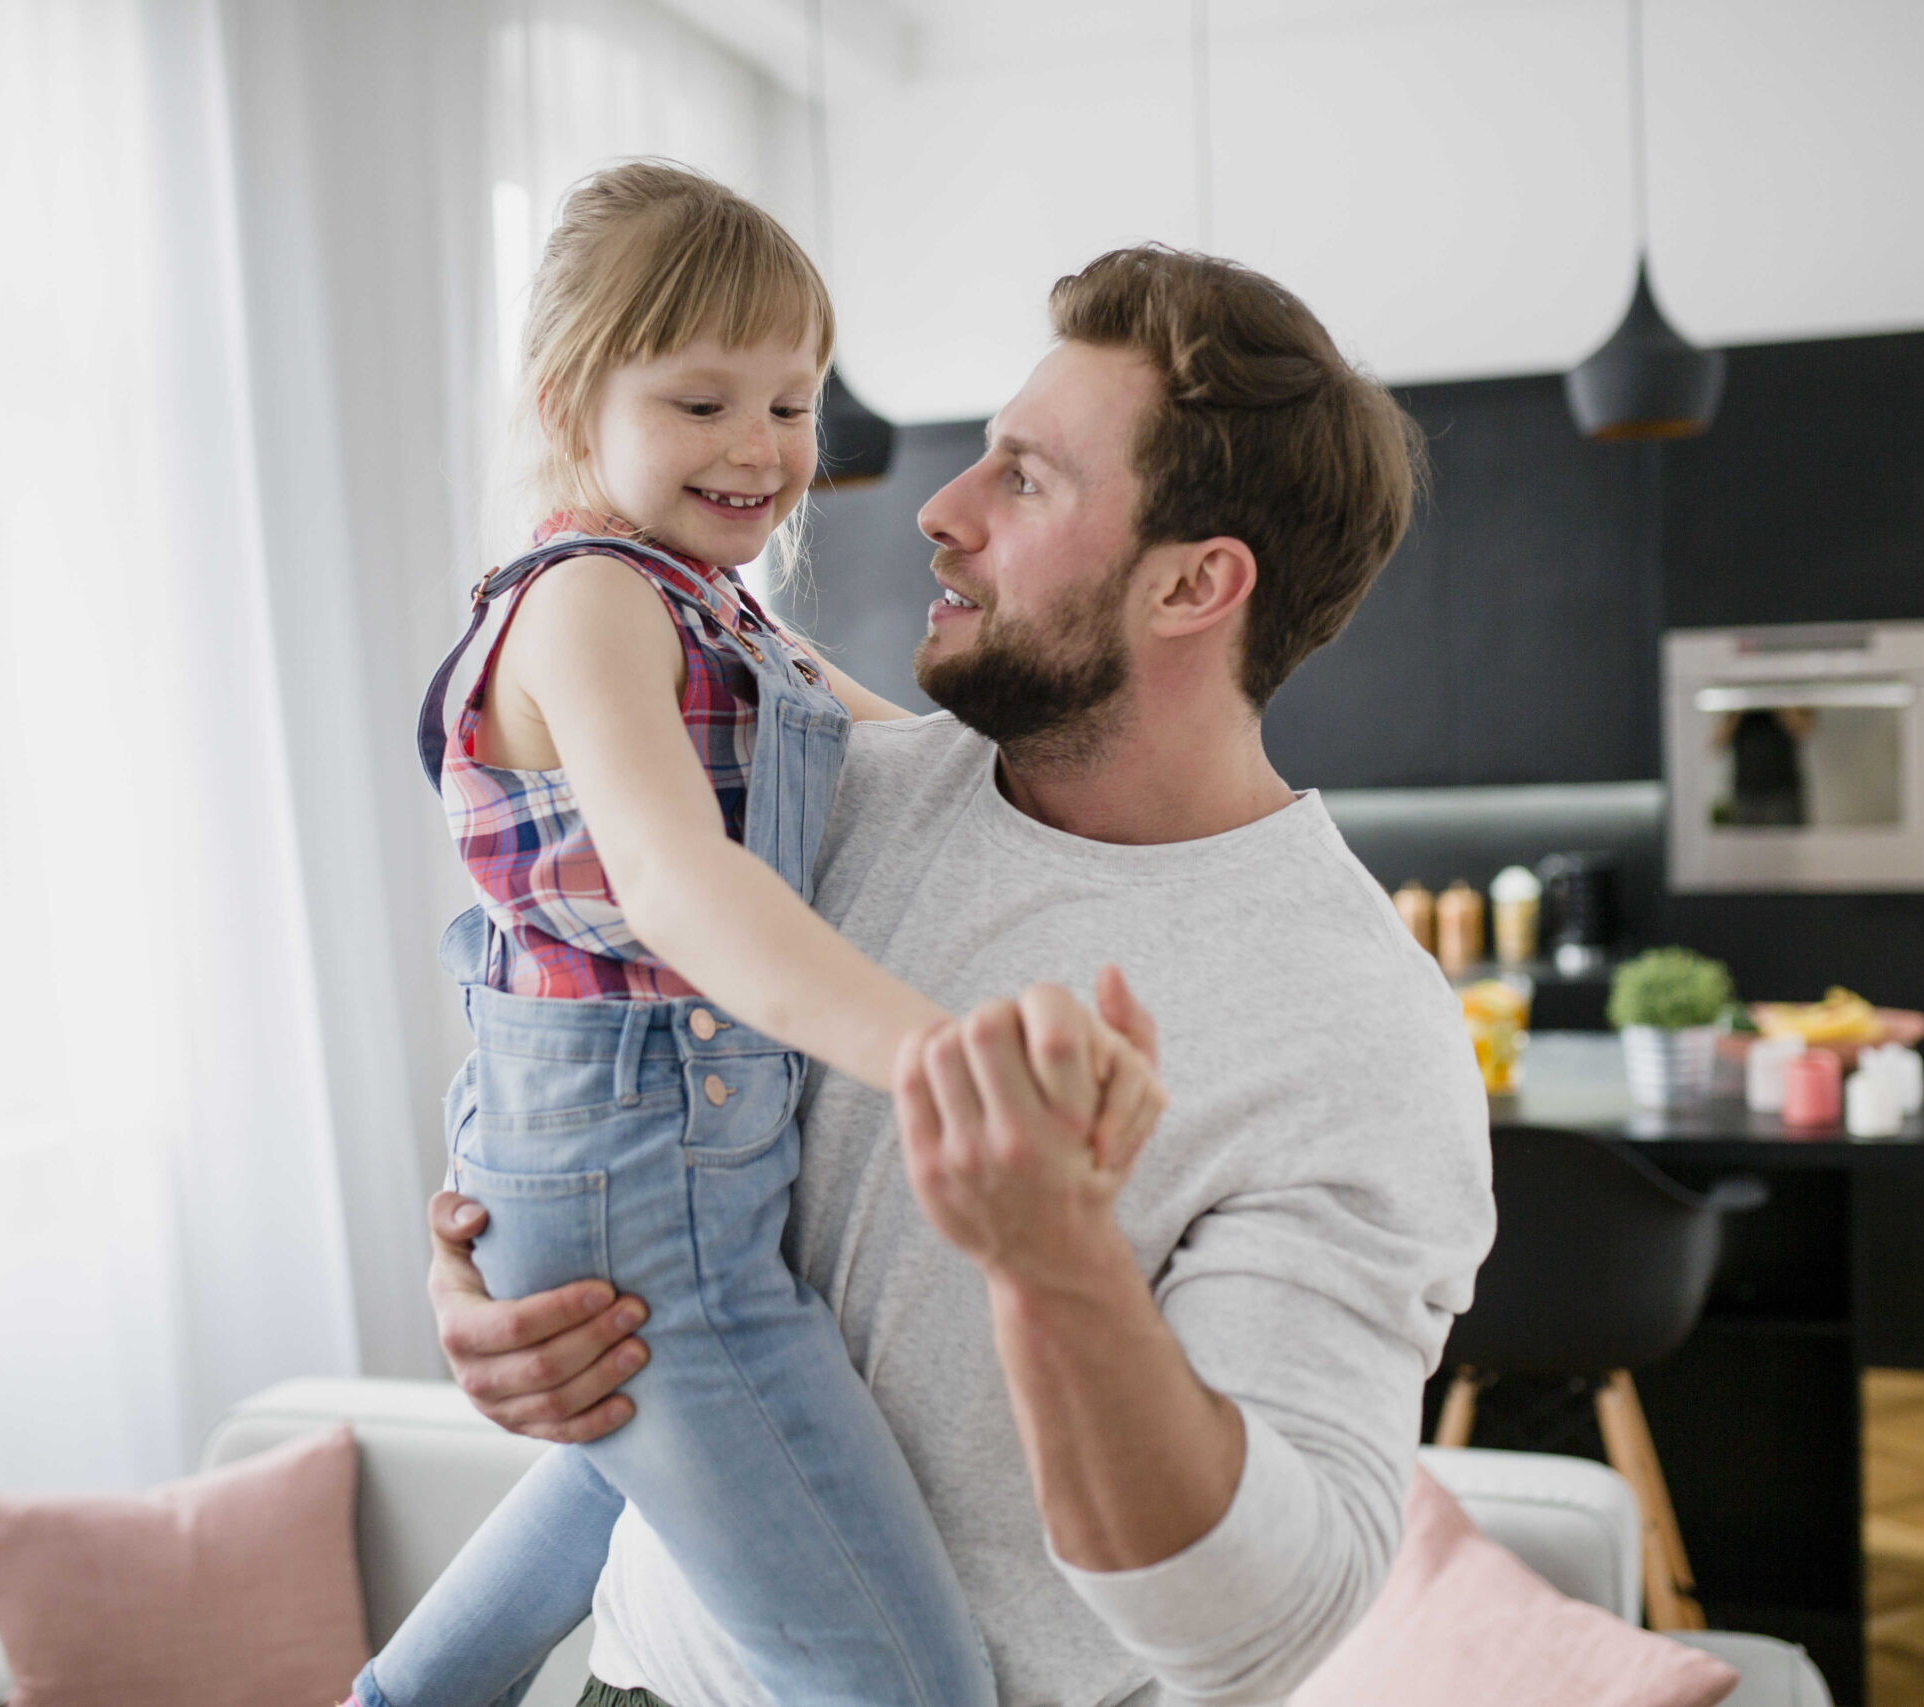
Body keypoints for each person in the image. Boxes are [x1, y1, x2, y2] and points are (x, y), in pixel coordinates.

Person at [424, 244, 1498, 1707]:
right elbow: (569, 993)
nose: (937, 513)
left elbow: (1266, 1622)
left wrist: (1059, 1270)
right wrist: (492, 1260)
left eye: (1024, 479)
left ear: (1195, 584)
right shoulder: (834, 794)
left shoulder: (1360, 1028)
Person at [348, 163, 1162, 1707]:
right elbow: (677, 886)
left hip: (674, 1164)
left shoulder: (724, 614)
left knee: (614, 1477)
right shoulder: (589, 600)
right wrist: (940, 1057)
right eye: (702, 402)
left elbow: (929, 772)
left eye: (791, 406)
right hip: (637, 1179)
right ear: (571, 399)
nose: (760, 449)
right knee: (909, 1685)